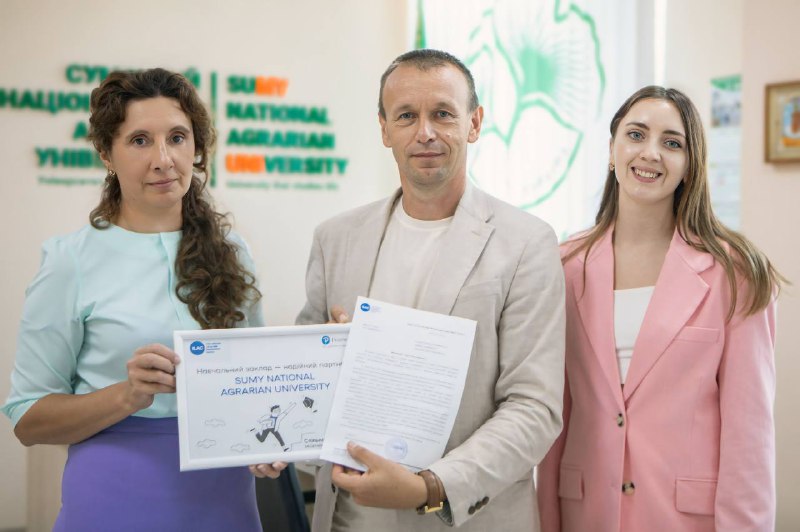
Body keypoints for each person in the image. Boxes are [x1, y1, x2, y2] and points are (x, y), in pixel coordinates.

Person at [295, 49, 565, 531]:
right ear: (384, 129)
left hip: (464, 518)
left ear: (474, 123)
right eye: (406, 116)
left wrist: (431, 487)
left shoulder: (527, 243)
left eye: (442, 113)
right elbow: (304, 381)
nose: (425, 132)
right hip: (351, 520)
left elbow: (534, 408)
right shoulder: (335, 239)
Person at [2, 68, 283, 531]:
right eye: (139, 141)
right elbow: (28, 419)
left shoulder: (233, 252)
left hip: (224, 502)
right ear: (106, 154)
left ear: (196, 147)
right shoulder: (69, 261)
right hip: (113, 499)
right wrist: (127, 395)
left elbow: (257, 383)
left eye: (177, 137)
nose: (163, 159)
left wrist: (270, 441)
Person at [536, 86, 783, 531]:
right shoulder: (564, 266)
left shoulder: (736, 273)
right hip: (585, 514)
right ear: (612, 151)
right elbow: (556, 416)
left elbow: (749, 437)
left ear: (690, 166)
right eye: (636, 134)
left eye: (672, 143)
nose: (651, 153)